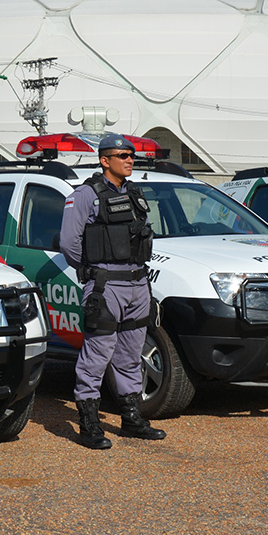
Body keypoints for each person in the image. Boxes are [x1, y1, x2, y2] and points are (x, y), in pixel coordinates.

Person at [59, 133, 166, 448]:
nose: (130, 160)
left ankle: (132, 420)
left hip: (138, 284)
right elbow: (69, 243)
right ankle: (89, 425)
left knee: (131, 355)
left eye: (131, 155)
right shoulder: (85, 195)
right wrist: (92, 269)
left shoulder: (134, 192)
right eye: (123, 155)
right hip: (106, 286)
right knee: (97, 354)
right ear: (105, 160)